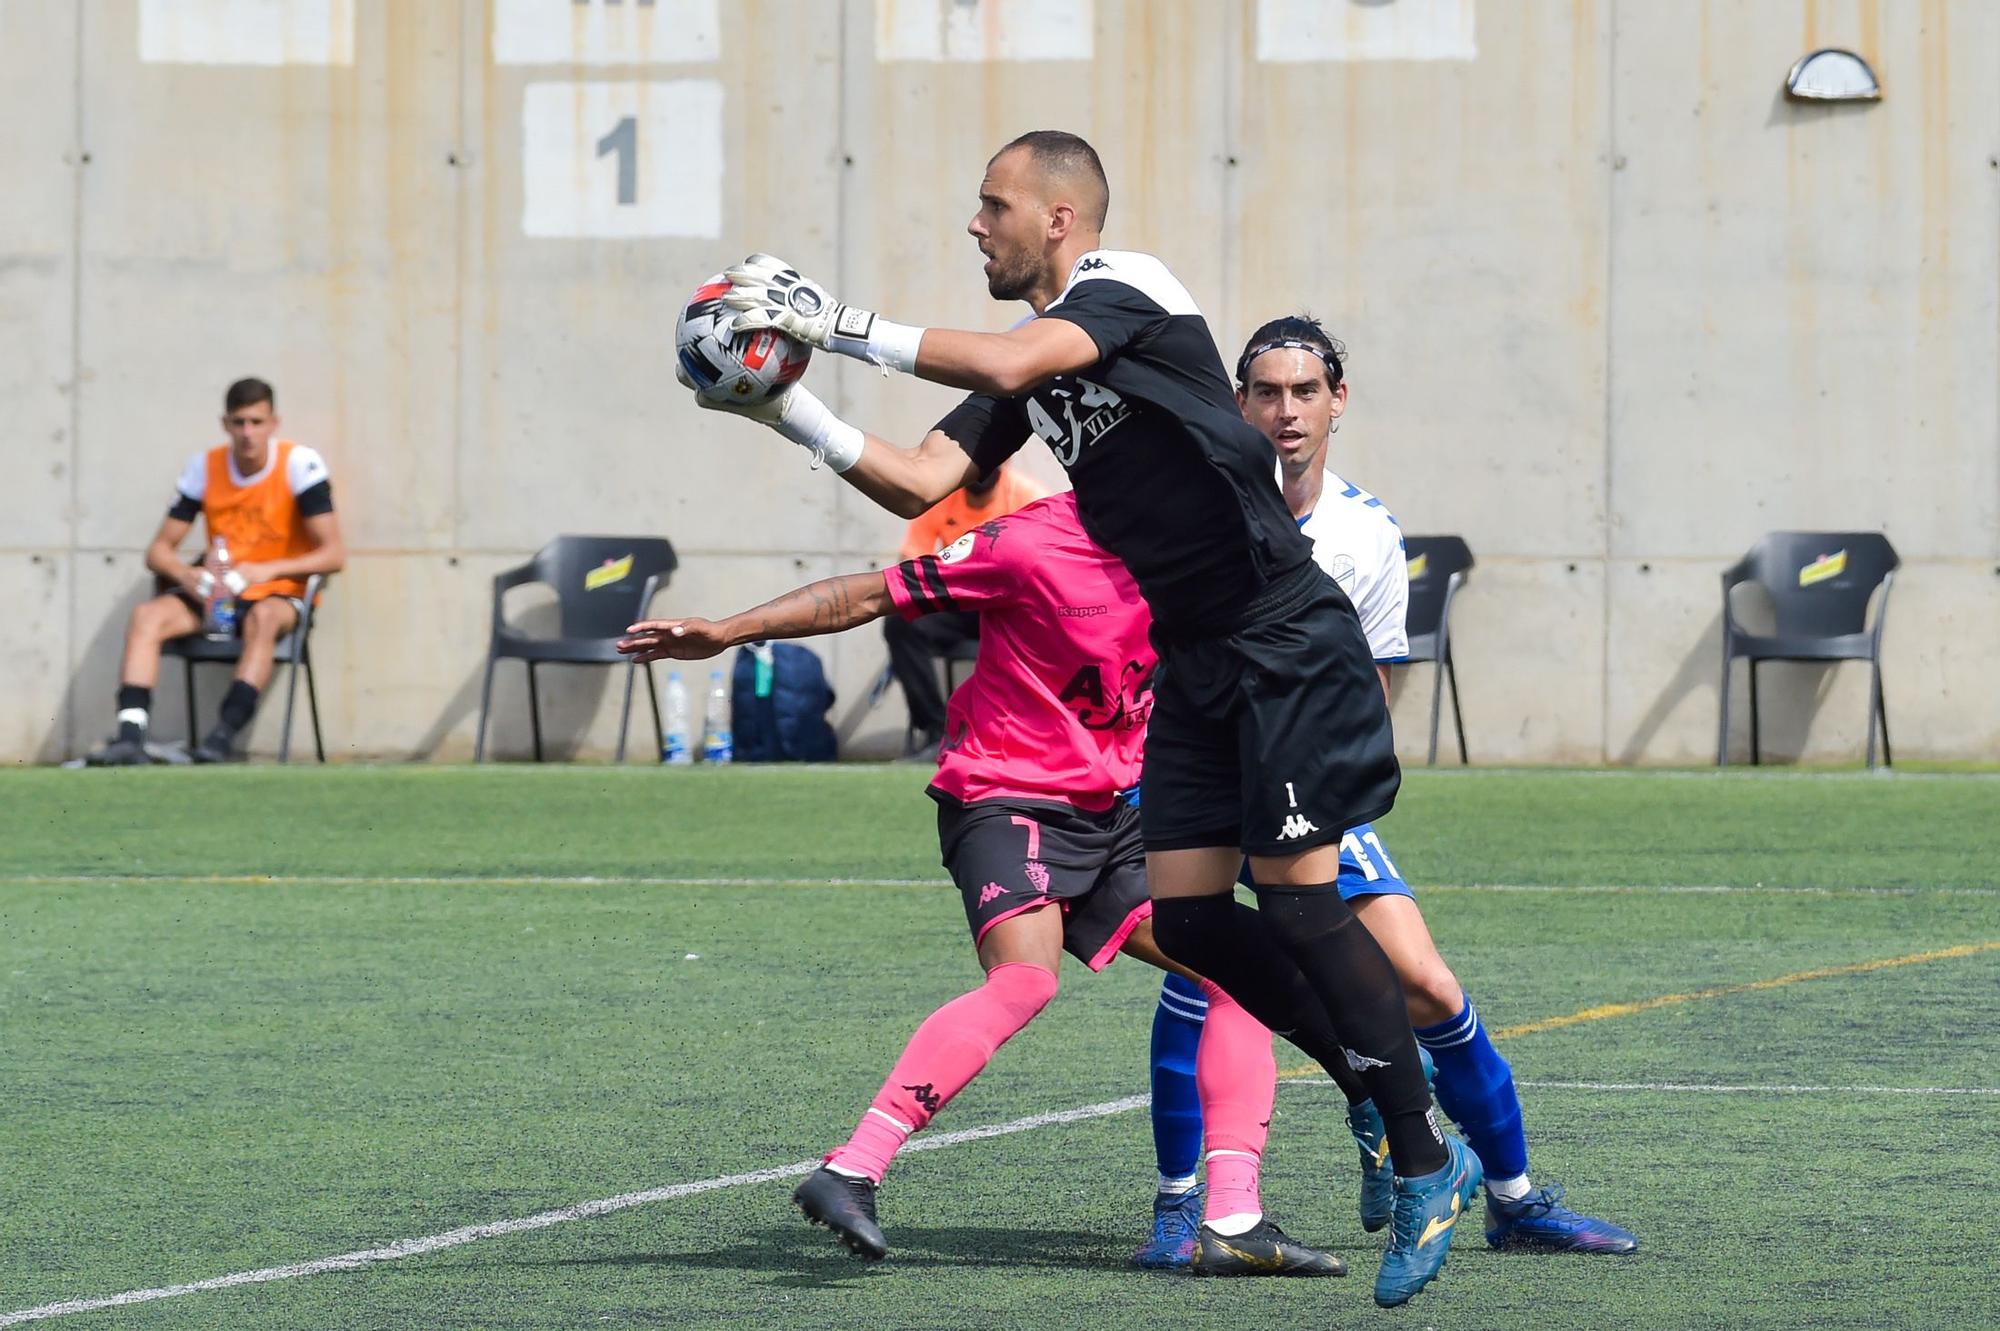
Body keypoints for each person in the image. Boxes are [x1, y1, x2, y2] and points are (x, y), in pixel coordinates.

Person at [699, 129, 1475, 1306]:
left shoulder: (1131, 291)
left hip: (1280, 640)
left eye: (991, 204)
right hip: (1199, 659)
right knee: (1200, 922)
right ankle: (1382, 1100)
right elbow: (923, 480)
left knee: (1306, 906)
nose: (976, 224)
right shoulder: (1025, 367)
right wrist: (787, 407)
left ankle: (1425, 1154)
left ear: (1058, 219)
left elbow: (1016, 365)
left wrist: (837, 320)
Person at [620, 491, 1365, 1277]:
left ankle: (1233, 1219)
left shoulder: (1193, 541)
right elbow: (872, 593)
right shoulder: (1028, 541)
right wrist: (729, 630)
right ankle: (852, 1168)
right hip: (1007, 796)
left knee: (1232, 973)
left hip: (1115, 809)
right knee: (1024, 981)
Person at [1137, 317, 1638, 1263]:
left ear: (1337, 401)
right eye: (1267, 392)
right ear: (1238, 402)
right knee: (1201, 971)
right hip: (1201, 773)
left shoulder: (1366, 532)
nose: (1286, 411)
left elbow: (1369, 688)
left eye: (1304, 391)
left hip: (1303, 785)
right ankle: (1178, 1209)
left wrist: (1324, 798)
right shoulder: (1192, 503)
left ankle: (1514, 1196)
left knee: (1426, 982)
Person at [86, 378, 344, 765]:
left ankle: (221, 737)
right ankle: (130, 736)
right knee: (147, 617)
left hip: (278, 595)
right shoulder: (204, 467)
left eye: (256, 422)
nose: (247, 433)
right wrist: (187, 575)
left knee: (263, 617)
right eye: (239, 422)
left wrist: (266, 570)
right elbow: (158, 551)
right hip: (219, 598)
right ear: (225, 424)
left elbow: (333, 554)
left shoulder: (299, 464)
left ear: (274, 422)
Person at [884, 461, 1048, 755]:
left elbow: (1048, 569)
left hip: (1012, 608)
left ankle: (1029, 736)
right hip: (961, 601)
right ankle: (936, 732)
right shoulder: (941, 500)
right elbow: (910, 563)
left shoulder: (1028, 497)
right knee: (901, 622)